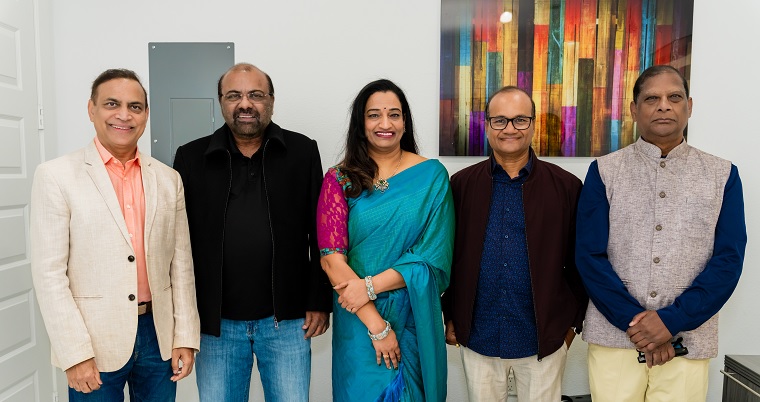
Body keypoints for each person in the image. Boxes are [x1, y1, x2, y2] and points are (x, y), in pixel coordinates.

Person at [576, 65, 747, 401]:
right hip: (614, 338)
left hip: (690, 339)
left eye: (675, 97)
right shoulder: (604, 170)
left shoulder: (723, 174)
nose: (664, 106)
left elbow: (728, 260)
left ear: (689, 106)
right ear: (634, 109)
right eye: (652, 98)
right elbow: (589, 256)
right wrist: (639, 325)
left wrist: (672, 321)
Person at [30, 68, 200, 401]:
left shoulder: (168, 179)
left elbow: (181, 266)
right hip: (93, 342)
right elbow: (49, 275)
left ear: (146, 114)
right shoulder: (56, 176)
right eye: (112, 104)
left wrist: (184, 335)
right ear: (91, 109)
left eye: (135, 107)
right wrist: (74, 353)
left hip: (158, 336)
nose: (124, 115)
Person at [173, 63, 331, 402]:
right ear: (221, 101)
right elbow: (178, 246)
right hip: (215, 324)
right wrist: (183, 318)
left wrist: (319, 300)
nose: (245, 104)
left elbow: (320, 233)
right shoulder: (191, 157)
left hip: (287, 320)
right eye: (234, 95)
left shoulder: (302, 151)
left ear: (271, 100)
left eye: (255, 95)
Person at [441, 86, 588, 401]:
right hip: (478, 336)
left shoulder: (567, 187)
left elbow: (581, 264)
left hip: (543, 341)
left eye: (520, 119)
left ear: (533, 124)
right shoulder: (461, 185)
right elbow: (452, 258)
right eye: (500, 120)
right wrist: (450, 314)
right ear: (487, 125)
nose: (510, 128)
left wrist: (571, 328)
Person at [316, 79, 454, 401]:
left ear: (405, 122)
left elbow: (433, 256)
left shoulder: (432, 176)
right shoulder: (339, 179)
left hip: (412, 315)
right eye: (374, 115)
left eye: (394, 114)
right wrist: (377, 326)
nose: (385, 124)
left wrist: (368, 287)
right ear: (361, 123)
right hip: (358, 320)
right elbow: (331, 260)